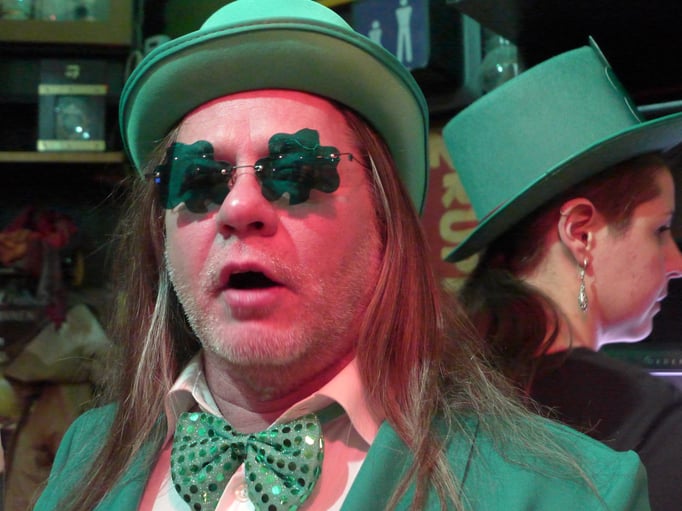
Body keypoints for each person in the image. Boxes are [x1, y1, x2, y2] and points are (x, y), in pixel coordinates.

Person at [33, 3, 649, 510]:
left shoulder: (573, 495)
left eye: (296, 171)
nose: (238, 207)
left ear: (384, 225)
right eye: (198, 178)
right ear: (161, 232)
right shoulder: (86, 453)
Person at [443, 40, 682, 511]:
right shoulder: (645, 421)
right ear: (580, 233)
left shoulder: (427, 394)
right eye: (660, 230)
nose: (677, 261)